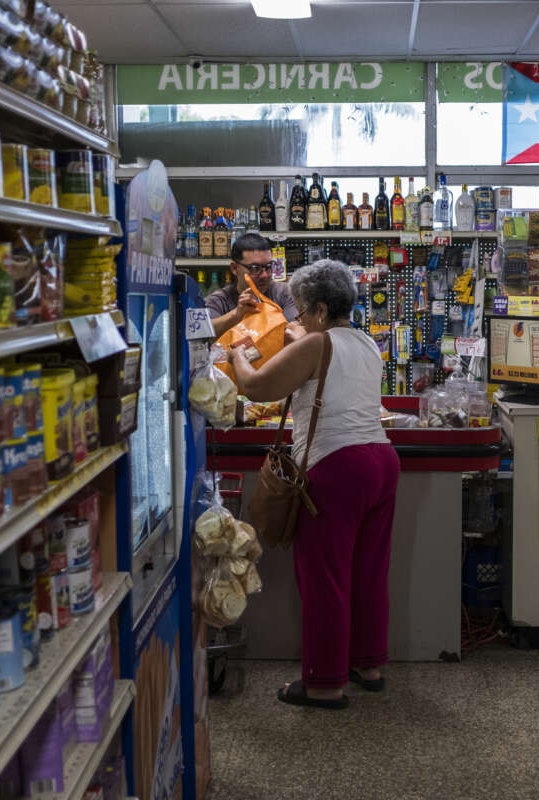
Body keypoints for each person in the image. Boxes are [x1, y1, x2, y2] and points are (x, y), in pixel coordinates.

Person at [226, 259, 398, 710]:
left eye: (301, 310)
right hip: (381, 460)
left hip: (336, 465)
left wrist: (237, 356)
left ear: (320, 310)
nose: (297, 318)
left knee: (325, 578)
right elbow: (314, 347)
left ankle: (323, 683)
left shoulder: (317, 343)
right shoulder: (365, 342)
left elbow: (259, 389)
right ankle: (369, 665)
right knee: (368, 573)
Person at [206, 232, 301, 339]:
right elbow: (206, 333)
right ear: (235, 268)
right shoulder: (218, 301)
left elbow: (295, 327)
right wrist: (237, 314)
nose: (265, 275)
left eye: (269, 266)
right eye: (255, 268)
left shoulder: (285, 293)